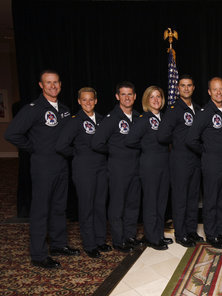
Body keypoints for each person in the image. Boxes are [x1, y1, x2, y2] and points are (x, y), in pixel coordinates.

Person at [5, 70, 78, 269]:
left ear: (60, 85)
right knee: (40, 211)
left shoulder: (63, 109)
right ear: (41, 85)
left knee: (59, 207)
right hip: (43, 167)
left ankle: (58, 244)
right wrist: (33, 148)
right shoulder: (33, 108)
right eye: (48, 82)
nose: (53, 86)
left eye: (56, 82)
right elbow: (12, 133)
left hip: (62, 166)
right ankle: (38, 255)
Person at [55, 87, 111, 258]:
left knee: (100, 205)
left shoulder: (102, 120)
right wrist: (79, 155)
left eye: (91, 99)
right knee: (87, 207)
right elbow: (61, 146)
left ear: (96, 101)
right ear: (79, 101)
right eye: (84, 100)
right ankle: (90, 244)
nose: (88, 102)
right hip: (84, 170)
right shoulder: (74, 121)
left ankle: (100, 240)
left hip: (102, 168)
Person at [186, 77, 222, 249]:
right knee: (211, 200)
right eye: (215, 89)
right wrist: (206, 152)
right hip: (211, 164)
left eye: (221, 89)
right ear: (209, 92)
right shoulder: (204, 112)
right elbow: (191, 139)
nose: (219, 92)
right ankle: (212, 234)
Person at [91, 81, 142, 253]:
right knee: (118, 205)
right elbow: (97, 142)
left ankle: (130, 236)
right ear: (117, 97)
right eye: (123, 94)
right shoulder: (112, 118)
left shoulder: (137, 117)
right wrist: (114, 151)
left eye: (130, 94)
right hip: (118, 169)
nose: (127, 97)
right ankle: (119, 240)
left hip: (136, 167)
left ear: (135, 97)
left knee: (133, 205)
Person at [157, 75, 203, 247]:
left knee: (193, 198)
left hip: (195, 160)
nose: (185, 88)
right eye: (182, 85)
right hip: (180, 161)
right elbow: (162, 135)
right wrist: (178, 140)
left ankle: (191, 231)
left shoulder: (198, 109)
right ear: (178, 89)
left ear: (193, 88)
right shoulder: (174, 109)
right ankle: (181, 233)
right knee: (180, 198)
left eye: (189, 85)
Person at [125, 86, 171, 251]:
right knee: (151, 201)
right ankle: (151, 237)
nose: (156, 100)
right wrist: (146, 147)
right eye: (152, 97)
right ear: (146, 100)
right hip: (149, 165)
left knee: (161, 201)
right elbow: (130, 140)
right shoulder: (144, 118)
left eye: (158, 96)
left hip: (164, 165)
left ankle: (158, 234)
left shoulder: (164, 117)